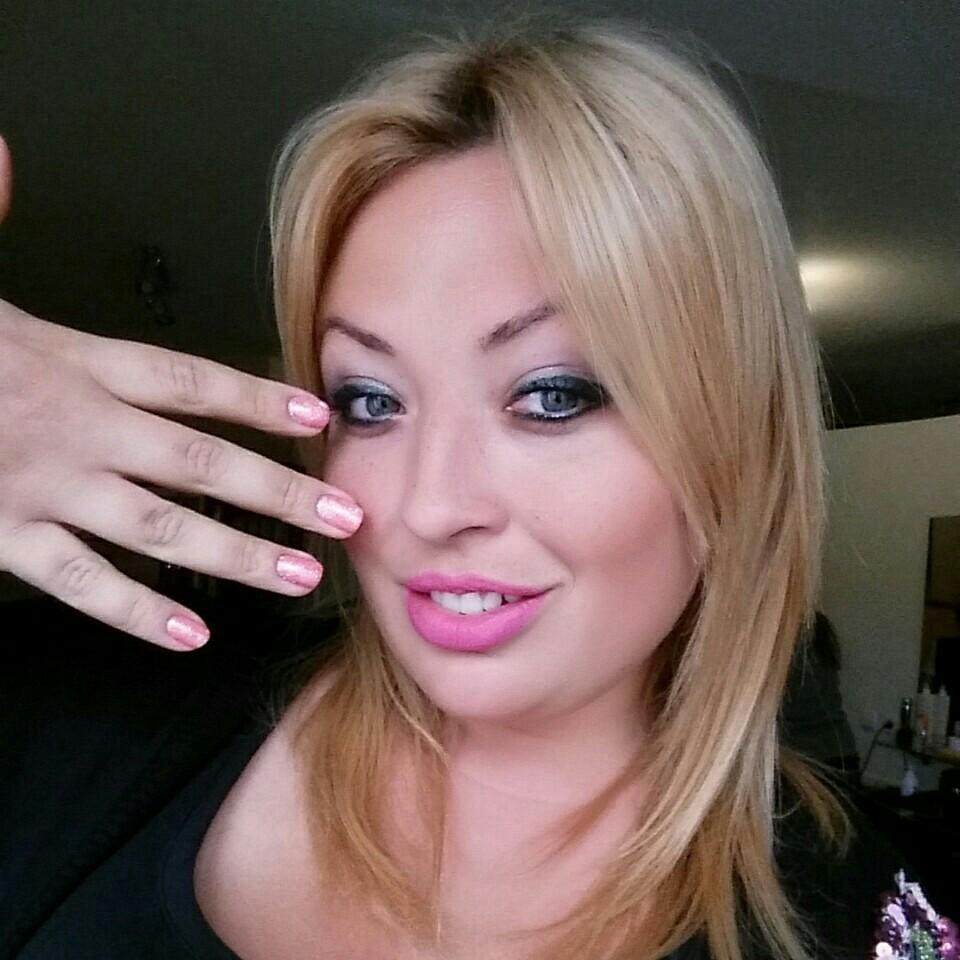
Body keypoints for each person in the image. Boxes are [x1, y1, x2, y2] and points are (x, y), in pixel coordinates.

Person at [1, 14, 955, 960]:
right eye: (371, 401)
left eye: (551, 395)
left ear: (734, 438)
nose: (430, 507)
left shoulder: (861, 926)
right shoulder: (94, 711)